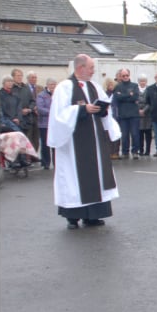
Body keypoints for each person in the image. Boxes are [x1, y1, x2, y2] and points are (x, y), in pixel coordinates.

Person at [47, 54, 120, 230]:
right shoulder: (65, 87)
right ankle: (73, 216)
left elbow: (105, 110)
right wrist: (82, 109)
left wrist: (102, 110)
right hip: (74, 144)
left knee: (97, 176)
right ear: (80, 68)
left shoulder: (94, 86)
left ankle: (93, 215)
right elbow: (59, 115)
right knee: (75, 178)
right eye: (91, 68)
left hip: (94, 141)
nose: (93, 71)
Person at [113, 68, 141, 160]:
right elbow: (117, 98)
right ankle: (125, 152)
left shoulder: (134, 85)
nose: (125, 77)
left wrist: (124, 96)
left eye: (127, 75)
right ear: (120, 76)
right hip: (123, 115)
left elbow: (136, 97)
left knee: (135, 134)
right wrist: (129, 95)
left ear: (129, 75)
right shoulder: (118, 86)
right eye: (123, 76)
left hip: (134, 114)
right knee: (124, 135)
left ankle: (135, 151)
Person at [11, 68, 38, 151]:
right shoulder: (11, 89)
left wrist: (29, 109)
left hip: (27, 118)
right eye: (18, 75)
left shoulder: (26, 88)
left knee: (27, 140)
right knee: (16, 141)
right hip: (15, 119)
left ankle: (27, 158)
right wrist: (19, 112)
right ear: (13, 77)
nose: (20, 77)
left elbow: (32, 101)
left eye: (21, 75)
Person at [36, 77, 57, 169]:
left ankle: (56, 162)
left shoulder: (58, 94)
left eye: (54, 84)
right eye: (51, 84)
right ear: (47, 85)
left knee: (55, 144)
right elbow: (40, 108)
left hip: (55, 124)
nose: (53, 86)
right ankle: (46, 163)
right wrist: (52, 112)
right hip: (44, 124)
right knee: (45, 144)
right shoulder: (41, 95)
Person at [103, 77, 120, 160]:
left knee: (116, 134)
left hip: (115, 116)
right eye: (109, 85)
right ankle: (110, 152)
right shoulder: (104, 94)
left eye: (112, 85)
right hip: (108, 116)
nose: (111, 86)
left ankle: (116, 152)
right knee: (108, 135)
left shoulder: (116, 94)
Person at [136, 74, 152, 156]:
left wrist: (144, 110)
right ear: (139, 82)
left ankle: (148, 150)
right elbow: (134, 101)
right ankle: (141, 150)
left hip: (147, 115)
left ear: (146, 82)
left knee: (148, 134)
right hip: (138, 115)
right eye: (141, 81)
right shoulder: (136, 90)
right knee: (140, 134)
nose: (142, 82)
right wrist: (138, 110)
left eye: (144, 81)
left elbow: (150, 102)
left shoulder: (149, 90)